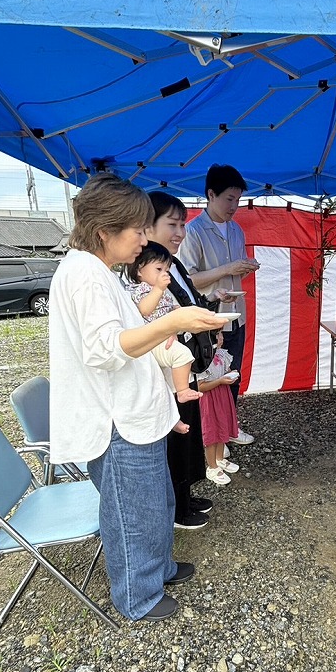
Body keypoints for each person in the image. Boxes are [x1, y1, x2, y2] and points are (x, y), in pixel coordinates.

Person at [48, 173, 225, 622]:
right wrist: (173, 322)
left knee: (155, 502)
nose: (145, 240)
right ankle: (137, 596)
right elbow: (105, 350)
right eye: (139, 231)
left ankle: (157, 569)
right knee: (133, 514)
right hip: (117, 420)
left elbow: (126, 330)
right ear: (105, 231)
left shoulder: (96, 271)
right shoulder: (86, 275)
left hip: (133, 412)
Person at [145, 190, 227, 529]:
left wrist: (211, 322)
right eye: (172, 224)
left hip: (188, 359)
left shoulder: (173, 262)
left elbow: (190, 300)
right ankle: (176, 508)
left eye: (183, 224)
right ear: (147, 226)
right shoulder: (145, 268)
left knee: (188, 429)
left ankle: (186, 493)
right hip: (165, 364)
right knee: (175, 434)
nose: (180, 232)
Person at [179, 163, 259, 443]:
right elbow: (188, 280)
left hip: (238, 315)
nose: (234, 206)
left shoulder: (236, 230)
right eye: (229, 199)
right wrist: (229, 268)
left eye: (238, 200)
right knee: (210, 379)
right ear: (211, 194)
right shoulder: (193, 232)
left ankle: (229, 429)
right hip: (210, 319)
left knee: (233, 374)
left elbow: (234, 269)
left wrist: (245, 267)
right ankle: (210, 438)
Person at [125, 241, 200, 411]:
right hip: (153, 340)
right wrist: (158, 289)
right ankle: (183, 390)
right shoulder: (141, 289)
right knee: (183, 356)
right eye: (158, 269)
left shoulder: (159, 290)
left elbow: (166, 309)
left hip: (163, 338)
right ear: (139, 270)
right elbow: (144, 310)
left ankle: (173, 410)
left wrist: (175, 309)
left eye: (166, 270)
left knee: (165, 380)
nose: (164, 274)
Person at [197, 329, 241, 485]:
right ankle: (212, 466)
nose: (220, 338)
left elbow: (226, 370)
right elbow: (200, 386)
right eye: (216, 335)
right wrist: (220, 381)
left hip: (223, 395)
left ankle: (220, 458)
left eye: (221, 334)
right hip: (209, 399)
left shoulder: (222, 354)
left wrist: (231, 374)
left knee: (223, 426)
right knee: (211, 432)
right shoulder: (202, 358)